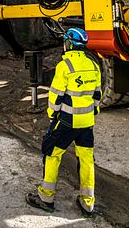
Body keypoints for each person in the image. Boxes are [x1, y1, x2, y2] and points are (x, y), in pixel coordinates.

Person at [26, 28, 102, 218]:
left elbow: (55, 97)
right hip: (87, 123)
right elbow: (97, 96)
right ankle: (87, 203)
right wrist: (90, 114)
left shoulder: (65, 65)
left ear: (69, 43)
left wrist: (53, 115)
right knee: (86, 159)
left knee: (51, 153)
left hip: (67, 122)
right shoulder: (94, 64)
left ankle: (46, 198)